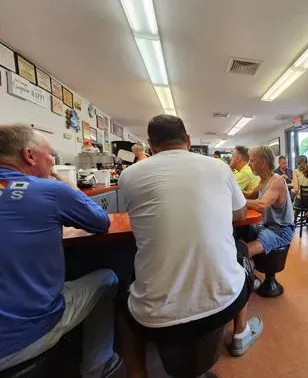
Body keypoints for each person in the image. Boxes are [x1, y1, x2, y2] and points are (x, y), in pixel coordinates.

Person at [118, 115, 263, 377]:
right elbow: (240, 213)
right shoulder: (219, 168)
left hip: (154, 316)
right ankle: (240, 332)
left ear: (150, 146)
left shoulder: (128, 176)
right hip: (225, 301)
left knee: (122, 306)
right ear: (187, 140)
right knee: (241, 257)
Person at [0, 124, 120, 378]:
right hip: (18, 338)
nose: (53, 161)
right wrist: (69, 186)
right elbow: (101, 221)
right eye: (50, 155)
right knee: (108, 279)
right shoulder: (50, 190)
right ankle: (97, 367)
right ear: (29, 156)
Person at [246, 146, 294, 258]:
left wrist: (239, 201)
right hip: (266, 226)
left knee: (242, 251)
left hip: (281, 231)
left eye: (252, 161)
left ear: (263, 163)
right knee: (240, 233)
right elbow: (249, 195)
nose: (248, 164)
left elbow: (261, 205)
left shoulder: (276, 181)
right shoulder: (263, 180)